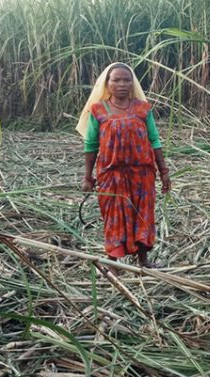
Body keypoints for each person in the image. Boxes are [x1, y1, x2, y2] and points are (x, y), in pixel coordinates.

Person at [75, 62, 171, 271]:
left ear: (132, 83)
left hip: (142, 174)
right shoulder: (98, 110)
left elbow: (154, 140)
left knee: (143, 216)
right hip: (111, 175)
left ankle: (143, 262)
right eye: (116, 80)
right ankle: (114, 265)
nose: (121, 84)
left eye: (126, 80)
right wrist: (87, 176)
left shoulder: (143, 109)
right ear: (106, 83)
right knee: (113, 217)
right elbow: (91, 144)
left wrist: (164, 171)